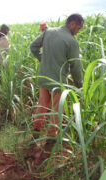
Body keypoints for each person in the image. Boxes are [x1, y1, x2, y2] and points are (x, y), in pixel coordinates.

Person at [30, 14, 84, 150]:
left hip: (44, 77)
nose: (78, 31)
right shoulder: (72, 41)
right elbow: (75, 66)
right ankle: (51, 136)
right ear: (72, 23)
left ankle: (36, 129)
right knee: (57, 109)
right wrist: (79, 83)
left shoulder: (49, 32)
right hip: (58, 82)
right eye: (78, 28)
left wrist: (43, 60)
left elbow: (33, 47)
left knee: (42, 104)